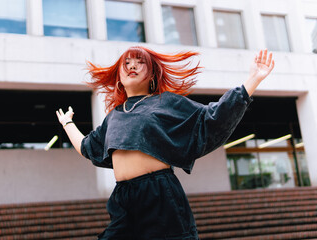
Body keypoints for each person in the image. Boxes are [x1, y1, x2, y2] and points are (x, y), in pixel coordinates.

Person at [56, 46, 275, 240]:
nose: (132, 66)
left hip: (159, 193)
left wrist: (253, 80)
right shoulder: (114, 116)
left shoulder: (164, 102)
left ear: (151, 74)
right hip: (123, 197)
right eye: (127, 63)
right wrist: (67, 123)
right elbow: (87, 147)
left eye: (140, 62)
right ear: (119, 78)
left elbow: (211, 116)